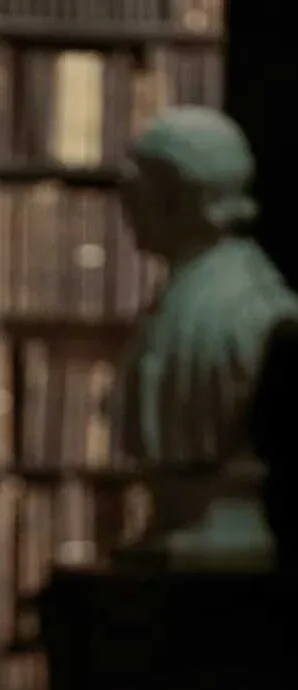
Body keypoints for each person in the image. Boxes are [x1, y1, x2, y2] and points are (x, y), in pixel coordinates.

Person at [111, 105, 298, 567]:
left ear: (181, 194)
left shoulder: (249, 311)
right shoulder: (174, 300)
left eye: (138, 186)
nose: (125, 204)